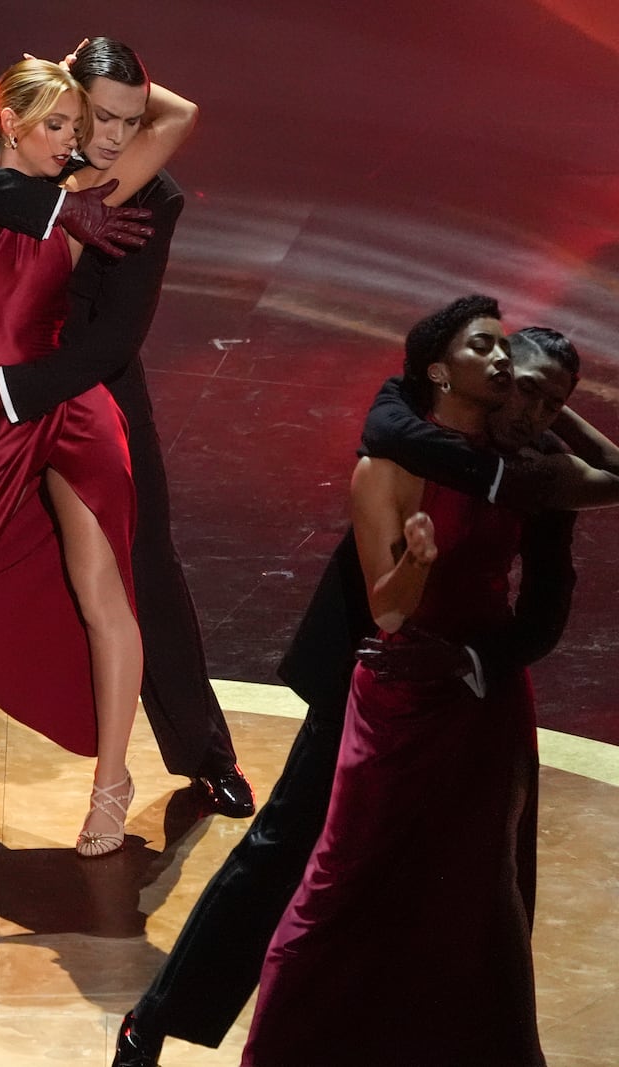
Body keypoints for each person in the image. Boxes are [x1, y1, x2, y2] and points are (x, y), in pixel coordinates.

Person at [114, 318, 612, 1065]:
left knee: (479, 881)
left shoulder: (543, 472)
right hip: (368, 669)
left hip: (471, 697)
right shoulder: (412, 419)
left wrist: (470, 660)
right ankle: (153, 1022)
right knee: (287, 851)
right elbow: (385, 418)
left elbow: (544, 611)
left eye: (549, 402)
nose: (528, 409)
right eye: (518, 384)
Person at [0, 35, 253, 839]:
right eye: (97, 118)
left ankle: (206, 755)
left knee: (147, 569)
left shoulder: (145, 192)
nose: (112, 136)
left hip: (85, 389)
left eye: (128, 119)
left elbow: (112, 344)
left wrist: (15, 391)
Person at [239, 297, 554, 1065]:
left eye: (506, 348)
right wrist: (416, 561)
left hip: (489, 697)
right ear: (441, 369)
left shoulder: (523, 463)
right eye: (483, 345)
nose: (502, 358)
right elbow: (385, 612)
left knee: (487, 882)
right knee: (342, 881)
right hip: (404, 698)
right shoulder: (387, 463)